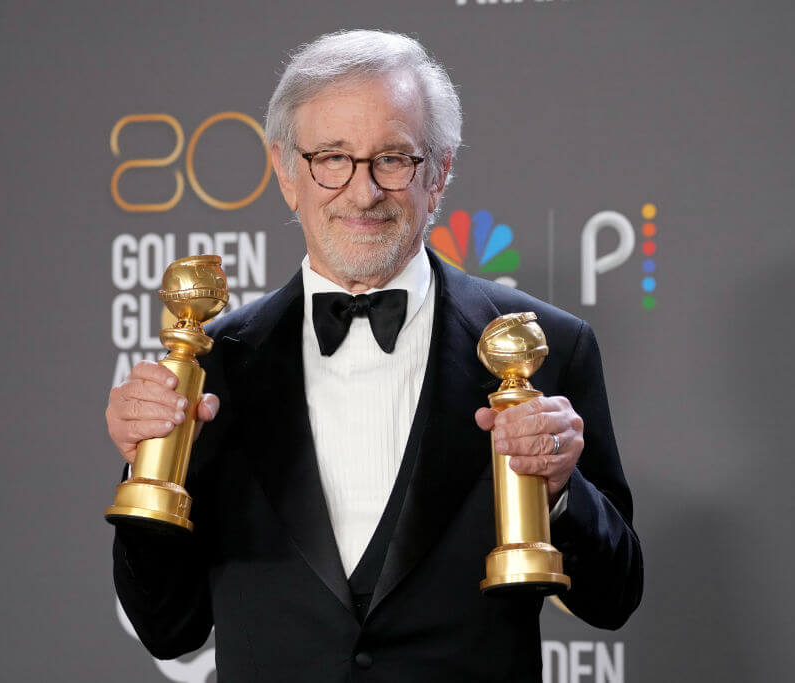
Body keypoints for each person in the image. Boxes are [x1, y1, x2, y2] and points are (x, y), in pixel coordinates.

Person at [106, 29, 642, 683]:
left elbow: (614, 599)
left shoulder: (549, 351)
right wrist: (144, 466)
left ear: (439, 172)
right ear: (285, 172)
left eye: (393, 159)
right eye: (332, 158)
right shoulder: (213, 368)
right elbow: (169, 627)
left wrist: (562, 490)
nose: (362, 193)